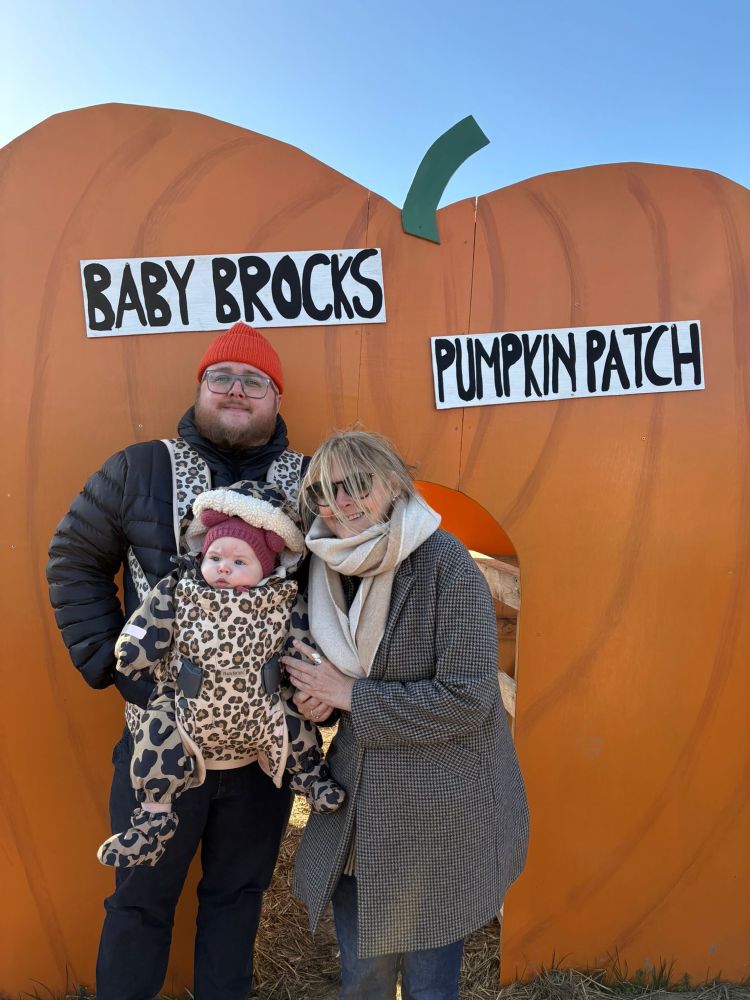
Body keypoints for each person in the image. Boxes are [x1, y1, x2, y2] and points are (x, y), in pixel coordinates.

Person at [46, 321, 307, 1000]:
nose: (236, 391)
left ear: (276, 397)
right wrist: (110, 662)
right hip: (157, 744)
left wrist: (321, 687)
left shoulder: (308, 483)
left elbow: (339, 594)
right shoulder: (138, 468)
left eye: (254, 381)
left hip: (261, 751)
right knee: (139, 904)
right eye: (221, 377)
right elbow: (74, 558)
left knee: (237, 897)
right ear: (200, 389)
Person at [282, 429, 529, 1000]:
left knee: (427, 985)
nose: (338, 503)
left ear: (394, 483)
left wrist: (349, 695)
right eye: (323, 490)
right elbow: (322, 676)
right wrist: (316, 702)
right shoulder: (322, 567)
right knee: (364, 977)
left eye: (356, 485)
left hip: (439, 810)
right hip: (361, 807)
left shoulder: (446, 566)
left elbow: (469, 700)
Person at [98, 481, 345, 870]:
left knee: (295, 729)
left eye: (239, 561)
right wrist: (131, 652)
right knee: (155, 739)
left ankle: (312, 779)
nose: (223, 567)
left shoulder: (283, 598)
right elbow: (148, 623)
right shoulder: (179, 589)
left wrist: (313, 677)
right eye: (215, 557)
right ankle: (151, 821)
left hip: (262, 705)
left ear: (266, 566)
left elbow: (304, 641)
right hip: (187, 703)